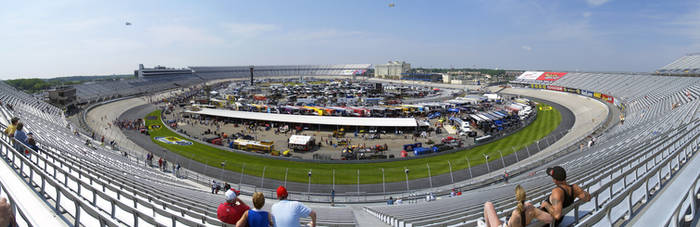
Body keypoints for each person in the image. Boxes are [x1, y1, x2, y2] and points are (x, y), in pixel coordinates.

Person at [481, 185, 553, 227]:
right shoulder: (531, 209)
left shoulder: (516, 213)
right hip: (516, 223)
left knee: (488, 205)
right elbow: (550, 219)